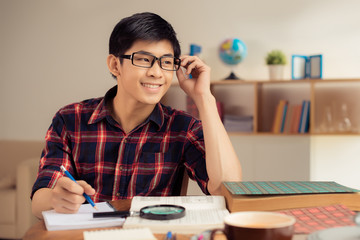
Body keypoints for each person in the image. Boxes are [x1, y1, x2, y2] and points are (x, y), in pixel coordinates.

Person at [31, 12, 242, 219]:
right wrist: (57, 198)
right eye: (144, 59)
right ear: (115, 65)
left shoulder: (182, 128)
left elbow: (226, 189)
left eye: (167, 62)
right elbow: (39, 201)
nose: (157, 73)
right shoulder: (70, 119)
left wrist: (204, 98)